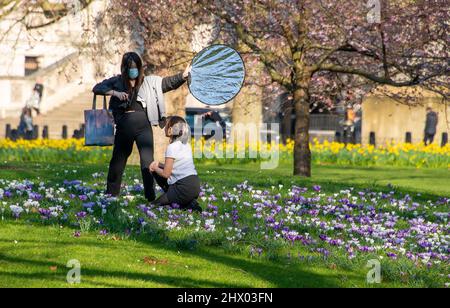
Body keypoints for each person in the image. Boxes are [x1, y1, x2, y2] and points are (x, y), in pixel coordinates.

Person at [92, 52, 191, 202]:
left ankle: (150, 196)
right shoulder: (117, 81)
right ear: (125, 68)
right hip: (124, 125)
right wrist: (115, 93)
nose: (133, 70)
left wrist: (183, 76)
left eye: (136, 67)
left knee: (147, 162)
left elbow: (167, 83)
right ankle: (111, 194)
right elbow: (97, 88)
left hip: (143, 125)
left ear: (139, 67)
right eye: (130, 67)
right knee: (118, 160)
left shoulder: (148, 82)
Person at [149, 116, 202, 212]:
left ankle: (177, 199)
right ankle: (190, 203)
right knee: (178, 205)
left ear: (170, 130)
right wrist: (160, 164)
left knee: (153, 206)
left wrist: (155, 167)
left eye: (166, 125)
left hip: (183, 187)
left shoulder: (172, 147)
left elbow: (166, 174)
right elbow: (176, 167)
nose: (164, 128)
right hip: (195, 185)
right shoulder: (186, 145)